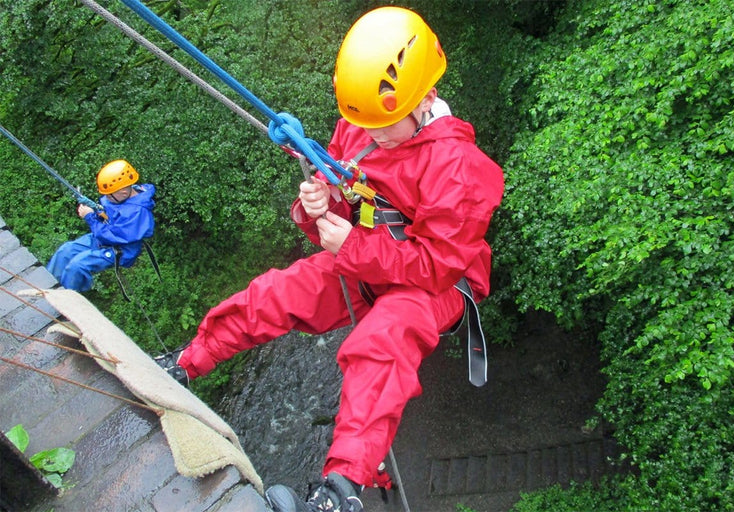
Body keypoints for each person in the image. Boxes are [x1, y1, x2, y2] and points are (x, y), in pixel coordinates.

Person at [161, 6, 504, 511]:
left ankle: (340, 489)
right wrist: (316, 206)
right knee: (277, 293)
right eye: (368, 124)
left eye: (386, 125)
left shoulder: (460, 170)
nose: (376, 136)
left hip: (431, 287)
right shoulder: (360, 126)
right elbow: (345, 197)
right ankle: (188, 363)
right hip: (365, 261)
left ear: (425, 97)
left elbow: (437, 266)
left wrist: (353, 246)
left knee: (382, 342)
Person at [46, 159, 156, 292]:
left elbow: (114, 236)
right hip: (101, 237)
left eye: (109, 197)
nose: (107, 199)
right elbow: (110, 215)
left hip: (119, 248)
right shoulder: (122, 196)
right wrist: (95, 211)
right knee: (66, 251)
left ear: (123, 193)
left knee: (77, 266)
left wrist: (90, 218)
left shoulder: (138, 212)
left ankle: (66, 300)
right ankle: (47, 286)